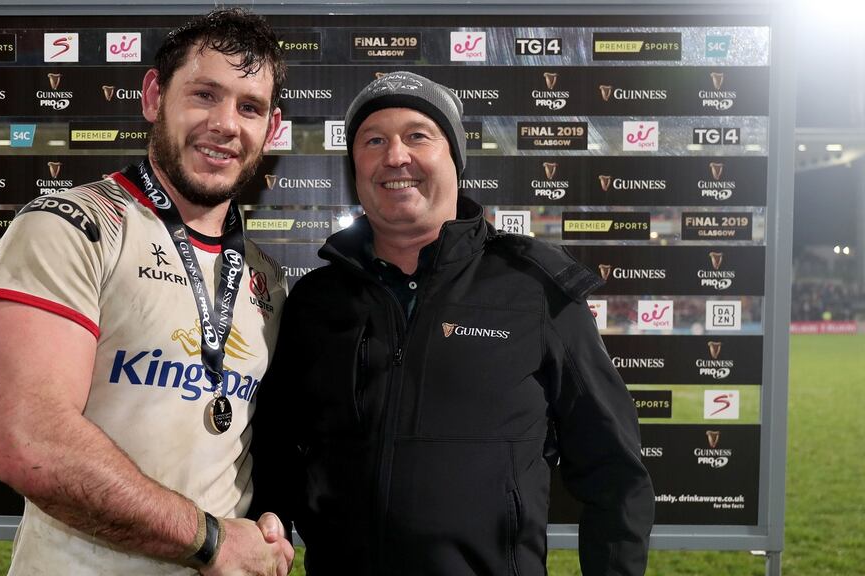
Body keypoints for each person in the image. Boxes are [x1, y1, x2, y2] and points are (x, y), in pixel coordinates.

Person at [251, 71, 655, 575]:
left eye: (418, 135)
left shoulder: (536, 291)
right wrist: (268, 519)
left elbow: (614, 473)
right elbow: (276, 448)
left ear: (456, 159)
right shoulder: (314, 301)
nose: (395, 156)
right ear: (355, 167)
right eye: (374, 140)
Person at [0, 8, 294, 575]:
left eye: (249, 107)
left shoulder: (266, 278)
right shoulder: (72, 227)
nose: (225, 123)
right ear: (153, 97)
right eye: (204, 95)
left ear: (270, 129)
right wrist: (212, 541)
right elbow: (33, 444)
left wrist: (270, 525)